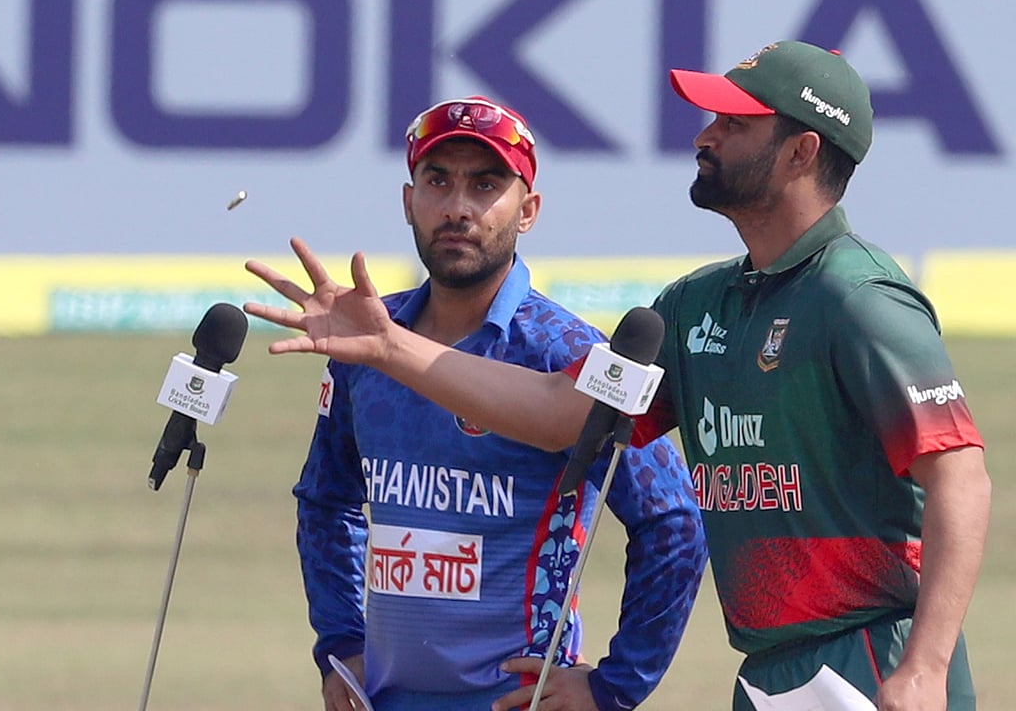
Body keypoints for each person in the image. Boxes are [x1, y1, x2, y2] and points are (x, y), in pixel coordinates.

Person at [244, 43, 991, 711]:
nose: (705, 136)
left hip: (874, 661)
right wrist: (389, 349)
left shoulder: (858, 298)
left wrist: (924, 668)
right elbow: (562, 411)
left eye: (733, 125)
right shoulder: (696, 303)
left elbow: (960, 476)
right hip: (771, 669)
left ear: (800, 152)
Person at [286, 96, 706, 711]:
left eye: (485, 185)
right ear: (409, 201)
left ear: (528, 210)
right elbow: (327, 501)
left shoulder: (565, 352)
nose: (458, 208)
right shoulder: (368, 343)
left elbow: (674, 522)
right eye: (438, 181)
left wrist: (614, 687)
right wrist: (340, 644)